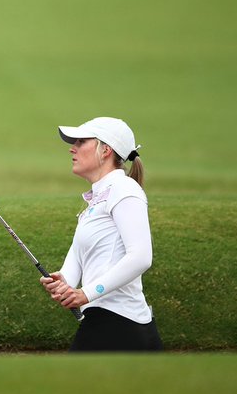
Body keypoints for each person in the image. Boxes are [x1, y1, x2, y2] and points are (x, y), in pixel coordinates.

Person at [40, 117, 162, 352]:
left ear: (105, 150)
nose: (72, 148)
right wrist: (62, 282)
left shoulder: (125, 189)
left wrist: (85, 294)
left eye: (81, 141)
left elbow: (141, 257)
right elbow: (74, 266)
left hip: (122, 325)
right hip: (105, 322)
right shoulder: (93, 204)